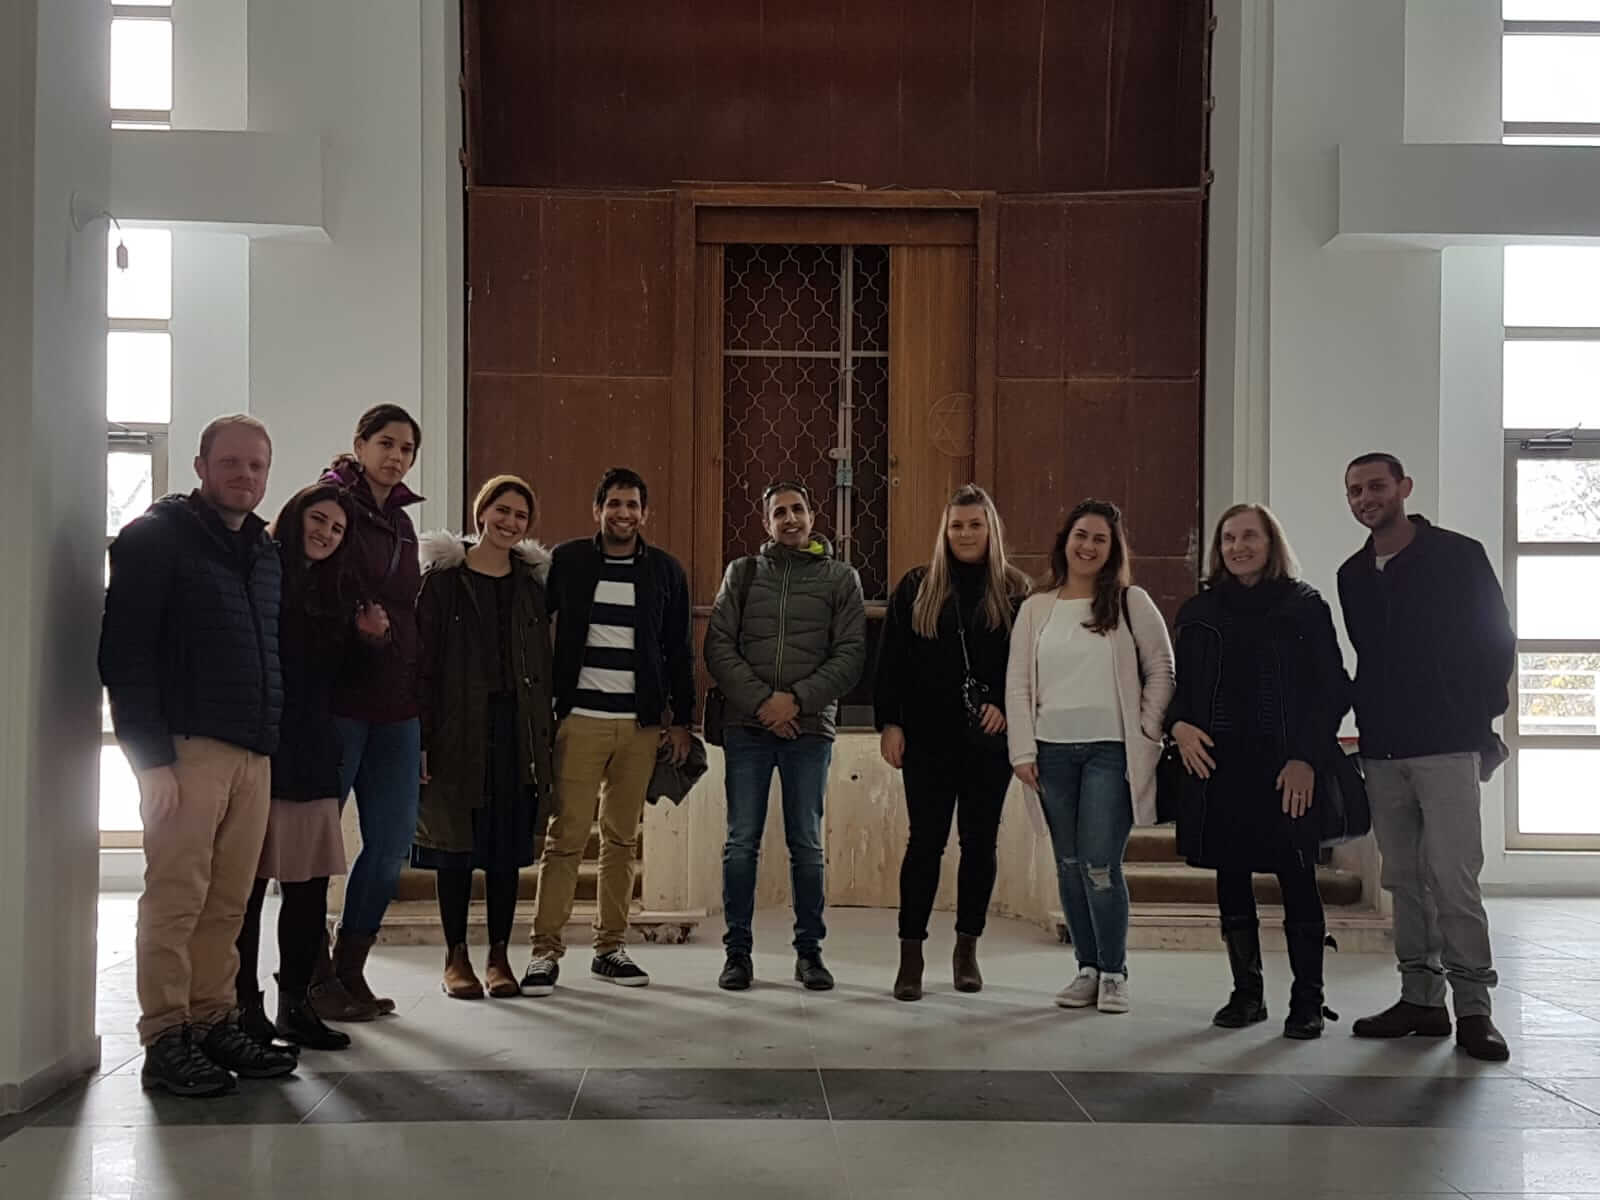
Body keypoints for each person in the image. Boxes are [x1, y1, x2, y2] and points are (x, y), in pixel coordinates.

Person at [99, 414, 298, 1097]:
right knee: (177, 898)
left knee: (229, 903)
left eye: (257, 465)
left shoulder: (263, 551)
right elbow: (125, 653)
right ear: (201, 466)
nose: (246, 475)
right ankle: (165, 1037)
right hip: (185, 750)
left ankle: (213, 1021)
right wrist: (148, 759)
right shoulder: (155, 538)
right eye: (232, 462)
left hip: (252, 750)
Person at [1338, 453, 1515, 1062]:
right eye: (1355, 491)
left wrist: (1476, 719)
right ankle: (1420, 999)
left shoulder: (1458, 555)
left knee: (1453, 878)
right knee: (1403, 880)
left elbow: (1496, 639)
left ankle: (1475, 1009)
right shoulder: (1352, 573)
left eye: (1376, 486)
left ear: (1404, 488)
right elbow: (1370, 656)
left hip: (1448, 743)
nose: (1366, 498)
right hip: (1383, 748)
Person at [1167, 504, 1351, 1039]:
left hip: (1286, 767)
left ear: (1272, 544)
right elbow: (1181, 689)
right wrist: (1178, 726)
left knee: (1298, 877)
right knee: (1231, 878)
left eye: (1250, 536)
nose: (1238, 546)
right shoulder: (1198, 611)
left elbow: (1332, 689)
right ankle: (1246, 995)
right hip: (1219, 765)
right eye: (1228, 538)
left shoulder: (1304, 606)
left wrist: (1306, 758)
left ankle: (1308, 1000)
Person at [522, 468, 695, 995]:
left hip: (640, 728)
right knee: (566, 838)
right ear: (597, 510)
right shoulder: (569, 561)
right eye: (614, 504)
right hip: (579, 722)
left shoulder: (666, 571)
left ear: (645, 513)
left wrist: (682, 721)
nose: (624, 513)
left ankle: (610, 948)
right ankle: (544, 953)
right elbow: (529, 621)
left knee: (621, 839)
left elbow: (679, 650)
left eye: (632, 505)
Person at [235, 484, 389, 1053]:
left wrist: (370, 642)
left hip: (313, 754)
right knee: (246, 892)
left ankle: (295, 1006)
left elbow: (345, 684)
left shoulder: (337, 592)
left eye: (337, 528)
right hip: (259, 751)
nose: (326, 533)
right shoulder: (259, 575)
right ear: (295, 517)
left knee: (307, 893)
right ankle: (242, 1007)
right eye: (318, 520)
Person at [1005, 499, 1174, 1015]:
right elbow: (1017, 683)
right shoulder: (1037, 607)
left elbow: (1162, 669)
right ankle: (1087, 968)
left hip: (1110, 753)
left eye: (1100, 539)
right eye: (1081, 535)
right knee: (1069, 864)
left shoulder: (1130, 602)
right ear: (1065, 541)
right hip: (1051, 753)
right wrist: (1022, 749)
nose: (1088, 546)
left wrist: (1145, 729)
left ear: (1112, 549)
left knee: (1100, 864)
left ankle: (1114, 972)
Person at [705, 481, 867, 992]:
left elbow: (850, 655)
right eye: (780, 512)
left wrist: (794, 701)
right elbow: (718, 646)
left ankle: (810, 954)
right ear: (766, 523)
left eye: (798, 509)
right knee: (741, 843)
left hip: (809, 729)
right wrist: (763, 703)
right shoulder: (742, 573)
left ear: (812, 516)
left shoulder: (841, 578)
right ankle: (737, 955)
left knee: (807, 844)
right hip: (746, 727)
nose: (790, 518)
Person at [875, 484, 1031, 1001]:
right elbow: (891, 661)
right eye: (957, 525)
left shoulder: (1016, 591)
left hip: (989, 741)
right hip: (927, 739)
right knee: (925, 843)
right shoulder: (917, 586)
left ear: (991, 530)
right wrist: (890, 723)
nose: (965, 534)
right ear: (945, 531)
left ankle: (967, 951)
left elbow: (1027, 666)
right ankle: (911, 956)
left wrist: (1005, 707)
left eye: (975, 524)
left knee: (979, 844)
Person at [415, 475, 555, 999]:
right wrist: (421, 737)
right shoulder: (443, 582)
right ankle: (456, 956)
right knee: (453, 845)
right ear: (481, 513)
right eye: (502, 510)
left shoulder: (531, 586)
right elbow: (421, 665)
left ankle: (499, 955)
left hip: (514, 729)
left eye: (520, 515)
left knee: (505, 847)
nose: (509, 522)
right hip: (455, 728)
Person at [313, 404, 425, 1022]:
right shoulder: (329, 505)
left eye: (407, 448)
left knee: (391, 842)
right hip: (338, 700)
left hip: (396, 704)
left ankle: (350, 966)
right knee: (313, 843)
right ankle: (312, 975)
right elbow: (311, 593)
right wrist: (356, 636)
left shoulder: (403, 524)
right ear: (359, 444)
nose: (396, 456)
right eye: (386, 443)